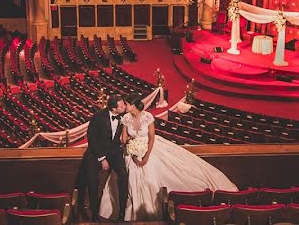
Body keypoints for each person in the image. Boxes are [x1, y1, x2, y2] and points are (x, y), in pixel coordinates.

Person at [98, 93, 237, 221]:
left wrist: (146, 156)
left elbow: (151, 138)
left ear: (133, 105)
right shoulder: (126, 118)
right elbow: (124, 138)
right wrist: (133, 152)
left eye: (126, 104)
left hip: (150, 149)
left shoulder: (148, 117)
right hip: (132, 152)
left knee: (157, 173)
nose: (125, 107)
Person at [76, 94, 128, 222]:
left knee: (123, 176)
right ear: (114, 109)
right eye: (122, 106)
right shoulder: (98, 117)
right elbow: (92, 139)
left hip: (114, 152)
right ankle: (94, 213)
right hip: (96, 152)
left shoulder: (124, 116)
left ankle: (122, 214)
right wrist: (102, 158)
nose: (125, 106)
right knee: (92, 180)